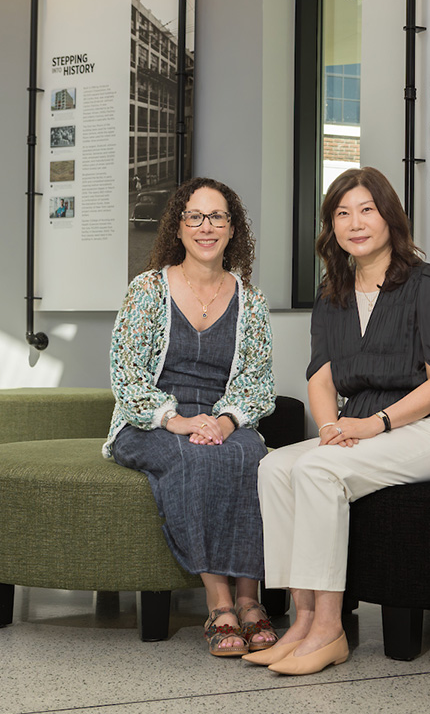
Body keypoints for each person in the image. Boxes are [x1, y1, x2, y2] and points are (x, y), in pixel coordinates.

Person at [244, 167, 430, 676]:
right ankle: (302, 623)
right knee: (275, 468)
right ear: (332, 228)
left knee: (318, 471)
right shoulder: (333, 294)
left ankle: (331, 630)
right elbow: (321, 380)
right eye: (342, 213)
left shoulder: (427, 283)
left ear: (389, 216)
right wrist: (329, 430)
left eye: (367, 209)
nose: (355, 222)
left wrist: (374, 425)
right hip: (356, 426)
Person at [103, 176, 278, 657]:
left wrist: (225, 422)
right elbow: (126, 373)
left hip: (223, 418)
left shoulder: (251, 300)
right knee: (194, 459)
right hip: (150, 422)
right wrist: (176, 419)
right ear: (177, 229)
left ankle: (250, 600)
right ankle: (220, 604)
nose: (206, 227)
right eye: (194, 217)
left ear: (232, 228)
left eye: (217, 216)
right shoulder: (147, 290)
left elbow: (257, 380)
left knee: (255, 457)